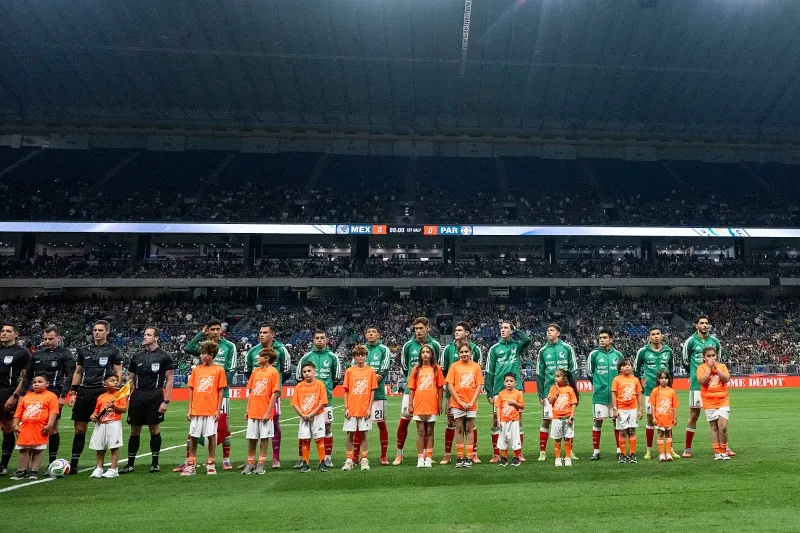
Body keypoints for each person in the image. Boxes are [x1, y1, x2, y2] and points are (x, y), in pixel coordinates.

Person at [67, 320, 122, 475]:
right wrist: (73, 392)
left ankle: (102, 466)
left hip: (102, 392)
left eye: (100, 330)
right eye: (95, 330)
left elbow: (118, 372)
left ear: (107, 332)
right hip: (84, 392)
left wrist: (116, 391)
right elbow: (78, 372)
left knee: (104, 428)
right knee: (79, 429)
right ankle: (74, 463)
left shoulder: (113, 350)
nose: (97, 333)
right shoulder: (84, 350)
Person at [181, 319, 236, 470]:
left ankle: (226, 459)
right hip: (203, 397)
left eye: (218, 329)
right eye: (212, 329)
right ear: (208, 330)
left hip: (220, 393)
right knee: (194, 428)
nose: (215, 332)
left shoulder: (229, 346)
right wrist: (201, 334)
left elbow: (231, 369)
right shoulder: (203, 346)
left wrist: (220, 386)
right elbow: (188, 348)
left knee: (223, 426)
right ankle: (189, 460)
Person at [120, 327, 174, 474]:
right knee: (134, 429)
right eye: (144, 334)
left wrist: (166, 401)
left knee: (154, 428)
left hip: (155, 395)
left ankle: (155, 463)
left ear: (156, 338)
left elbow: (170, 379)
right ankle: (130, 464)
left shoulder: (164, 356)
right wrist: (124, 397)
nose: (144, 337)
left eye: (148, 335)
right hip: (137, 396)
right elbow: (130, 379)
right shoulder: (136, 356)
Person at [22, 326, 74, 466]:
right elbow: (27, 376)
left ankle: (52, 461)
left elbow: (70, 375)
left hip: (54, 394)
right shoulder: (36, 354)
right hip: (35, 395)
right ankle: (31, 463)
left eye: (50, 339)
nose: (47, 341)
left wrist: (63, 395)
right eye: (45, 339)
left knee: (52, 428)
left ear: (58, 338)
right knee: (33, 426)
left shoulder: (65, 354)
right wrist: (22, 394)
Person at [681, 316, 731, 458]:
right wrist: (695, 375)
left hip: (714, 386)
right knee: (694, 415)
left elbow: (718, 360)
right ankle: (688, 448)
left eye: (706, 323)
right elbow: (685, 361)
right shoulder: (690, 342)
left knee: (721, 420)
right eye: (701, 323)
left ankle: (724, 448)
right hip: (697, 384)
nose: (704, 325)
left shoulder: (715, 341)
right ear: (696, 325)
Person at [394, 317, 441, 465]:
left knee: (427, 426)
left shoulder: (435, 345)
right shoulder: (408, 345)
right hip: (411, 390)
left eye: (421, 328)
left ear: (428, 328)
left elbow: (436, 365)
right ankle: (399, 454)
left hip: (428, 393)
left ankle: (426, 456)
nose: (418, 331)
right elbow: (405, 367)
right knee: (404, 422)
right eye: (416, 329)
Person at [244, 324, 291, 469]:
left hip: (273, 395)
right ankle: (251, 460)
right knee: (253, 428)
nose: (261, 335)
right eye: (260, 332)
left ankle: (275, 458)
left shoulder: (282, 350)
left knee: (274, 423)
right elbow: (248, 372)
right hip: (257, 394)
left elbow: (287, 371)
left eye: (265, 332)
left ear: (272, 334)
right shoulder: (252, 351)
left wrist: (273, 387)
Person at [485, 320, 531, 463]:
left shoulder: (516, 346)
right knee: (496, 420)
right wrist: (489, 391)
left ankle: (519, 452)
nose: (503, 330)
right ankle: (496, 453)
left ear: (511, 330)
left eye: (506, 328)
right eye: (502, 328)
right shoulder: (494, 349)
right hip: (499, 389)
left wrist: (515, 329)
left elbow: (527, 340)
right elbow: (489, 371)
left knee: (519, 421)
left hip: (516, 389)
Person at [295, 329, 341, 469]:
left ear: (327, 340)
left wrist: (324, 393)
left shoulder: (333, 357)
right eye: (317, 338)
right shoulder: (306, 357)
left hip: (325, 402)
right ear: (313, 340)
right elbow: (298, 377)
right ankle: (302, 459)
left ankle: (327, 458)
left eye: (322, 338)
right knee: (304, 430)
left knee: (327, 427)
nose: (320, 340)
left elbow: (337, 377)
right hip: (307, 403)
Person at [439, 321, 482, 465]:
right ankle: (448, 454)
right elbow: (444, 371)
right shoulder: (448, 349)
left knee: (471, 425)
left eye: (459, 330)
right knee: (451, 422)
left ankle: (472, 453)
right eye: (455, 330)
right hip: (453, 394)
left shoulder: (475, 349)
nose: (456, 332)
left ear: (467, 333)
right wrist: (448, 392)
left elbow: (477, 372)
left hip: (470, 394)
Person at [182, 340, 228, 476]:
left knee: (211, 436)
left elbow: (220, 391)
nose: (200, 356)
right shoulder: (197, 370)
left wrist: (218, 409)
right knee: (194, 437)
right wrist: (189, 409)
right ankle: (191, 464)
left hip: (210, 410)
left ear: (211, 354)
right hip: (197, 409)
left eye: (203, 353)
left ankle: (211, 463)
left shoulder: (219, 370)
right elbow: (191, 390)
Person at [535, 323, 576, 462]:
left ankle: (570, 452)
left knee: (568, 421)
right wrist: (541, 394)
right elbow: (539, 374)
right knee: (546, 421)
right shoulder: (543, 351)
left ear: (558, 333)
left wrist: (573, 390)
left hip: (566, 393)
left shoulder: (567, 348)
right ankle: (542, 452)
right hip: (549, 392)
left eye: (552, 330)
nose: (549, 332)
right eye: (547, 330)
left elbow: (573, 370)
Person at [634, 327, 676, 460]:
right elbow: (636, 370)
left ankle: (671, 449)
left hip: (665, 393)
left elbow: (671, 370)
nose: (656, 336)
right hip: (649, 391)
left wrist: (670, 388)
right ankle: (649, 450)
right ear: (649, 337)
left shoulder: (668, 351)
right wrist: (640, 386)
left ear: (662, 336)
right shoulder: (643, 351)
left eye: (658, 334)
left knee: (668, 419)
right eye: (653, 334)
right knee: (650, 420)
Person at [352, 325, 392, 466]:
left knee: (381, 424)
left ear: (378, 335)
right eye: (368, 332)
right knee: (358, 427)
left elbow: (384, 369)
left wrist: (371, 382)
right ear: (365, 335)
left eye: (373, 332)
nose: (370, 334)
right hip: (360, 396)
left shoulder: (384, 350)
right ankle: (355, 456)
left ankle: (383, 456)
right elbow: (353, 369)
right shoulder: (360, 350)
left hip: (378, 394)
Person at [9, 373, 59, 480]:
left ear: (47, 383)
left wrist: (49, 425)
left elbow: (53, 412)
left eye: (40, 382)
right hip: (25, 428)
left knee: (38, 450)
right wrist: (15, 424)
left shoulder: (51, 396)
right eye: (34, 382)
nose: (36, 384)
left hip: (40, 428)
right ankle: (22, 470)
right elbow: (18, 413)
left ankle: (34, 471)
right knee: (23, 449)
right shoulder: (27, 396)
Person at [586, 327, 623, 461]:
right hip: (600, 396)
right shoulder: (594, 354)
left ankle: (620, 451)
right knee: (597, 422)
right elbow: (589, 373)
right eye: (600, 338)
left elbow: (622, 374)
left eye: (604, 338)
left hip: (616, 396)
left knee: (617, 423)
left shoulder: (618, 355)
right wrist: (599, 385)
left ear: (611, 339)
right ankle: (596, 451)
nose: (602, 340)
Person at [445, 342, 484, 468]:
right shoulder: (454, 366)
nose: (464, 354)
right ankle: (460, 457)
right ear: (458, 353)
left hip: (471, 403)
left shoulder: (476, 367)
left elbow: (479, 385)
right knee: (459, 428)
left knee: (469, 428)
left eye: (466, 352)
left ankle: (469, 457)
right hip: (457, 403)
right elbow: (450, 385)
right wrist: (460, 401)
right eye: (461, 352)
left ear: (470, 352)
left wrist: (472, 401)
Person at [242, 348, 280, 475]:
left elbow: (274, 394)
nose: (257, 358)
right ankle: (250, 462)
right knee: (251, 438)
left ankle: (261, 463)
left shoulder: (274, 373)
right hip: (253, 410)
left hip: (265, 411)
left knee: (264, 438)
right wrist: (247, 409)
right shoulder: (255, 372)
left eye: (260, 356)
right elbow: (251, 391)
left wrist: (268, 412)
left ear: (267, 358)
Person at [0, 323, 31, 475]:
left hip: (8, 391)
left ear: (15, 334)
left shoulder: (22, 352)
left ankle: (3, 465)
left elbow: (25, 376)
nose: (4, 333)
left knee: (8, 427)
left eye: (7, 331)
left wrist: (15, 395)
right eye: (2, 331)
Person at [407, 344, 445, 468]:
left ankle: (428, 457)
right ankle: (420, 458)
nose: (425, 354)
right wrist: (410, 404)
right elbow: (412, 389)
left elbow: (440, 388)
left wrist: (440, 403)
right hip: (419, 404)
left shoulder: (436, 369)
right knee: (420, 431)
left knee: (430, 431)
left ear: (431, 354)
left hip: (432, 404)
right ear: (420, 354)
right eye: (423, 352)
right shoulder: (416, 369)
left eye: (428, 352)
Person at [341, 345, 378, 471]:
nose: (360, 357)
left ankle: (364, 459)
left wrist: (369, 408)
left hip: (364, 408)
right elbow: (345, 390)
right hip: (351, 408)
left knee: (364, 434)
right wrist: (346, 407)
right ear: (354, 357)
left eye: (363, 355)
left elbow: (372, 391)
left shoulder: (370, 371)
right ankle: (349, 459)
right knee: (350, 434)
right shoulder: (350, 371)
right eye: (358, 355)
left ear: (366, 356)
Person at [290, 361, 329, 473]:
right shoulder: (299, 386)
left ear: (314, 371)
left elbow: (323, 402)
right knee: (305, 440)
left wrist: (312, 414)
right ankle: (306, 463)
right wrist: (302, 415)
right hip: (304, 417)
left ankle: (322, 462)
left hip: (317, 416)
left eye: (309, 371)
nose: (307, 373)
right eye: (304, 372)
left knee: (319, 439)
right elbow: (295, 403)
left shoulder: (320, 384)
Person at [88, 374, 128, 479]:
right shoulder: (101, 397)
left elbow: (124, 409)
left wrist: (114, 406)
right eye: (112, 380)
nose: (115, 382)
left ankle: (113, 469)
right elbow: (96, 411)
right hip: (101, 424)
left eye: (116, 381)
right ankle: (99, 468)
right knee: (99, 447)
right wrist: (93, 416)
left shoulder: (120, 395)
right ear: (105, 384)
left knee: (114, 447)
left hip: (114, 423)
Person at [696, 347, 731, 460]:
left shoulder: (722, 366)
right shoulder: (701, 368)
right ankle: (717, 452)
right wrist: (709, 369)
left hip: (723, 400)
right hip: (709, 401)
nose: (711, 358)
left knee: (723, 426)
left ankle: (724, 450)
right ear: (704, 357)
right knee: (714, 427)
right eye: (708, 356)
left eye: (713, 355)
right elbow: (702, 381)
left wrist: (716, 368)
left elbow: (726, 379)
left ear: (717, 356)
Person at [611, 358, 643, 464]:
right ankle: (623, 454)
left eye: (629, 365)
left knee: (632, 431)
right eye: (624, 365)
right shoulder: (616, 379)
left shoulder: (635, 379)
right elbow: (614, 395)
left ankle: (632, 454)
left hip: (632, 408)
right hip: (621, 409)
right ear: (620, 368)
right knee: (623, 432)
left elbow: (639, 395)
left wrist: (640, 409)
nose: (627, 367)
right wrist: (615, 409)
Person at [547, 369, 579, 467]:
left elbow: (573, 403)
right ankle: (558, 458)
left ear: (564, 378)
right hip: (556, 418)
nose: (555, 378)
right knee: (557, 439)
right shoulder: (553, 388)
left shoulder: (569, 389)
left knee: (567, 438)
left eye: (558, 376)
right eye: (555, 376)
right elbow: (550, 401)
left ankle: (568, 457)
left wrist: (572, 416)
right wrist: (556, 394)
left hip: (567, 418)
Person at [495, 372, 525, 467]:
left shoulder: (518, 394)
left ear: (515, 383)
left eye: (511, 381)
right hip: (504, 421)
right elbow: (498, 408)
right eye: (507, 381)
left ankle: (516, 457)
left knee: (515, 439)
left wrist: (514, 403)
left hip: (514, 421)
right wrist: (498, 420)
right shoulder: (501, 394)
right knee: (503, 439)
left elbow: (522, 406)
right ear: (504, 383)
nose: (509, 383)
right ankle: (504, 458)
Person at [650, 370, 679, 462]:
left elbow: (674, 406)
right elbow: (653, 405)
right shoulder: (655, 391)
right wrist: (653, 417)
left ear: (668, 379)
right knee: (660, 434)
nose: (664, 380)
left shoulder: (672, 391)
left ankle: (669, 453)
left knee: (669, 434)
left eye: (666, 378)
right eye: (661, 378)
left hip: (669, 418)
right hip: (659, 417)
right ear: (658, 379)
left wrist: (675, 417)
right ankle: (661, 453)